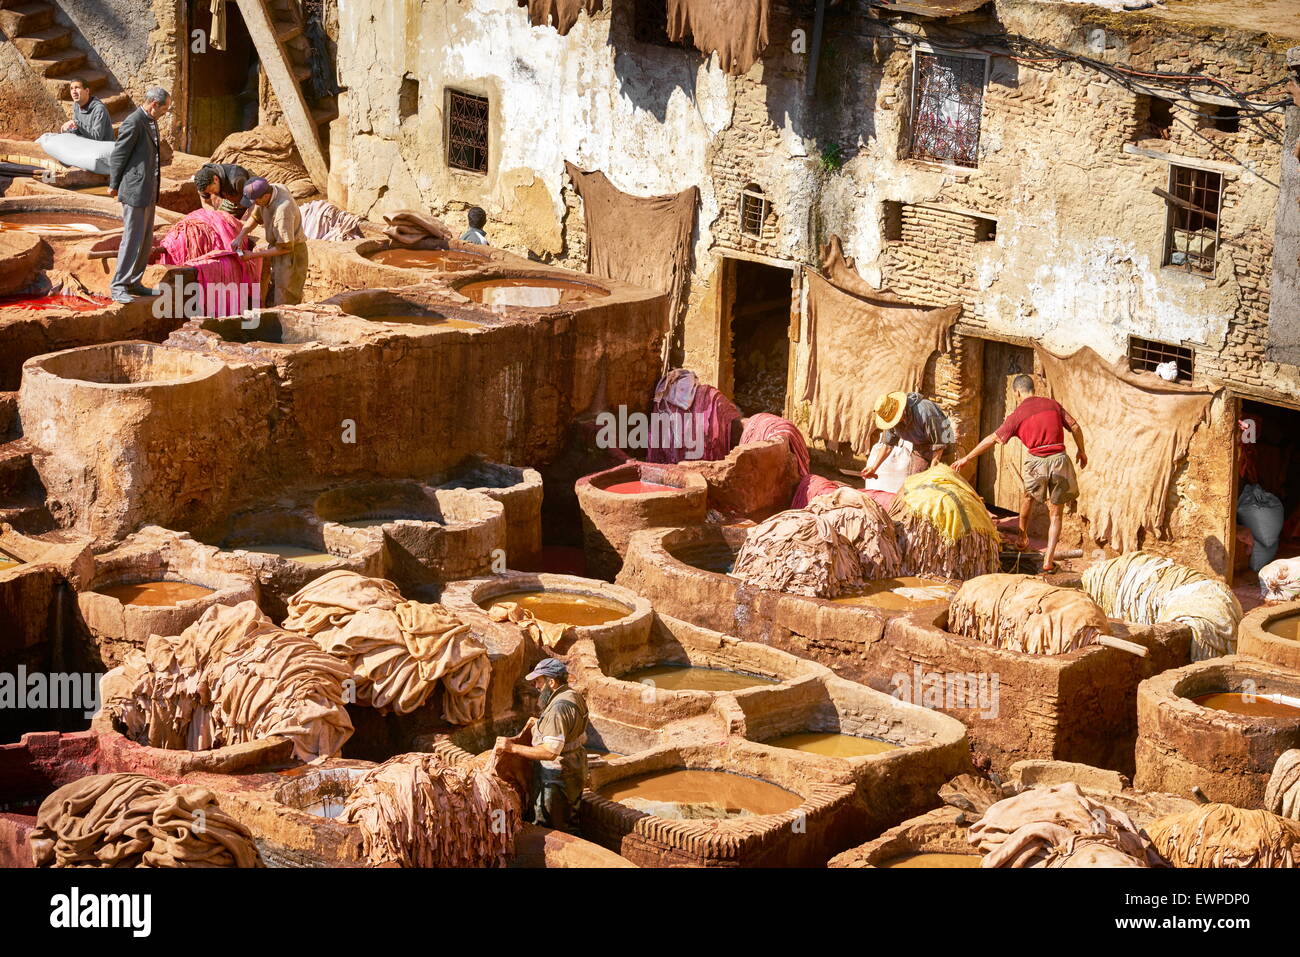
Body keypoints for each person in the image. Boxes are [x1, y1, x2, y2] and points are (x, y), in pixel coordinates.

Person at [953, 374, 1088, 572]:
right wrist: (1081, 451)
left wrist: (967, 458)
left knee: (1028, 498)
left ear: (1016, 392)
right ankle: (1048, 560)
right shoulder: (1052, 404)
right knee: (1056, 513)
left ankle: (1022, 537)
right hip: (1060, 460)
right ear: (1033, 389)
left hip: (1036, 463)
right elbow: (1075, 427)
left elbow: (992, 439)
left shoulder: (1017, 415)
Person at [495, 658, 588, 833]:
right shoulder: (572, 695)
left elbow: (550, 752)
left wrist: (512, 748)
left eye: (539, 681)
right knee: (569, 817)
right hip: (575, 763)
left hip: (557, 772)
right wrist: (539, 725)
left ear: (551, 682)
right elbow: (569, 730)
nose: (536, 686)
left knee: (549, 825)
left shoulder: (557, 709)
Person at [107, 87, 170, 303]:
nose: (165, 112)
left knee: (144, 240)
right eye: (164, 108)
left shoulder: (152, 120)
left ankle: (134, 282)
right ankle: (118, 286)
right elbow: (119, 154)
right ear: (154, 104)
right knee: (132, 239)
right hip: (135, 190)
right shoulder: (134, 122)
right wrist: (114, 184)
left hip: (148, 189)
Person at [230, 177, 308, 306]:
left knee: (285, 300)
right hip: (277, 249)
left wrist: (252, 255)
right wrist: (240, 235)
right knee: (274, 291)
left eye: (256, 201)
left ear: (265, 196)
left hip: (291, 255)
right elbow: (256, 216)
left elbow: (285, 248)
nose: (255, 204)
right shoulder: (272, 188)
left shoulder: (282, 211)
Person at [860, 391, 955, 482]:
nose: (895, 423)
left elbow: (940, 444)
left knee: (937, 486)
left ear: (902, 411)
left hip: (943, 451)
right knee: (914, 486)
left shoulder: (926, 411)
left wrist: (931, 473)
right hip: (920, 450)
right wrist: (873, 468)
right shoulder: (891, 420)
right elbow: (887, 445)